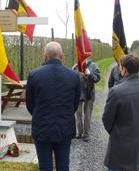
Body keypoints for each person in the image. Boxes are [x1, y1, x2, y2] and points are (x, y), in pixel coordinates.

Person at [26, 42, 81, 171]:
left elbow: (30, 104)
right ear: (61, 56)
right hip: (65, 128)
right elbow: (75, 104)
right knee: (63, 166)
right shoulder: (73, 76)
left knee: (45, 167)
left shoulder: (34, 75)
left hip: (42, 128)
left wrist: (40, 115)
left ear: (45, 56)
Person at [102, 55, 139, 171]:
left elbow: (107, 120)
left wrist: (117, 133)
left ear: (124, 70)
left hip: (120, 151)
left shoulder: (116, 91)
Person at [72, 59, 100, 142]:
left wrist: (90, 74)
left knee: (87, 114)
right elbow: (71, 79)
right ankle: (79, 133)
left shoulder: (93, 65)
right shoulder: (75, 66)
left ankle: (86, 134)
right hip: (78, 93)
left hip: (89, 93)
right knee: (78, 113)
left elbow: (97, 78)